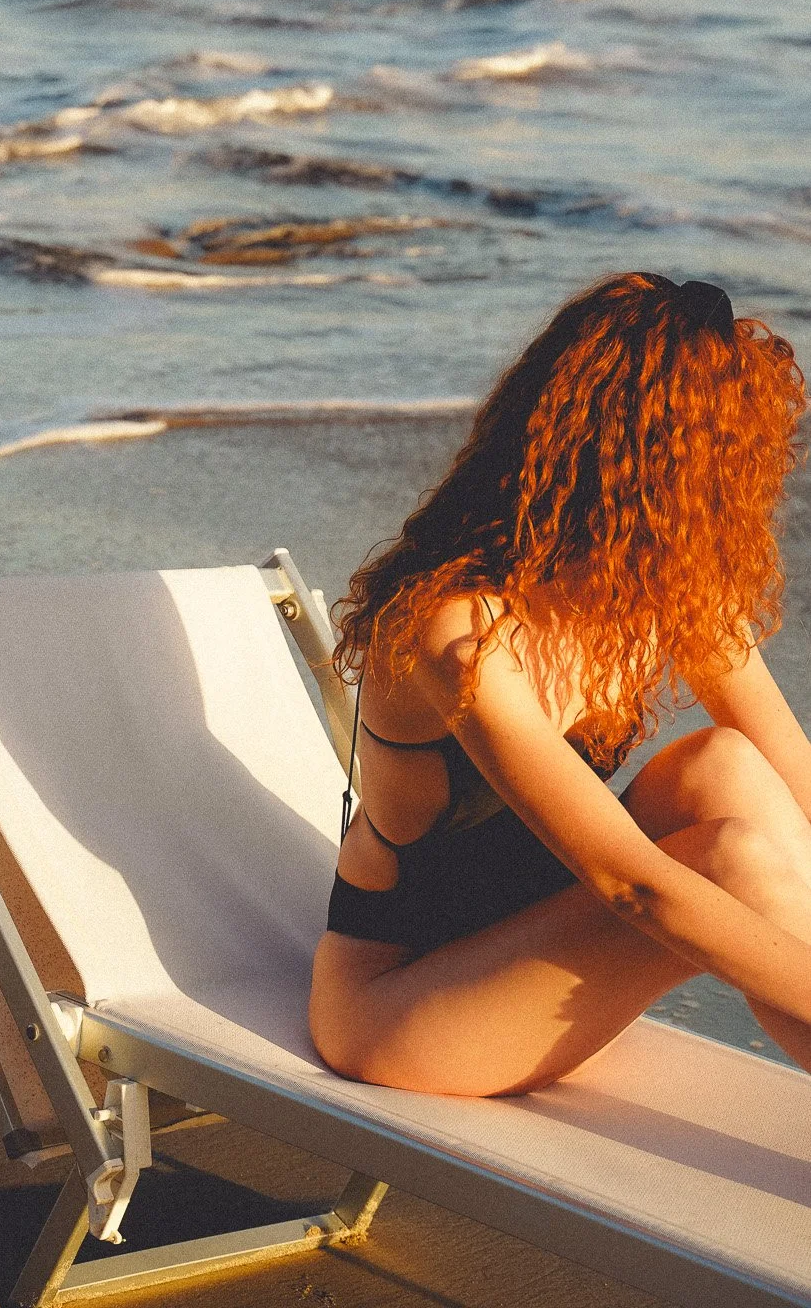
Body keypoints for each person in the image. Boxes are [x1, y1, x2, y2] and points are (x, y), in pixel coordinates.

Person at [310, 271, 811, 1096]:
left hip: (533, 954)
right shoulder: (457, 628)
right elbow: (633, 889)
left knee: (723, 764)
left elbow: (793, 773)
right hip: (403, 1010)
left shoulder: (666, 589)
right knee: (725, 859)